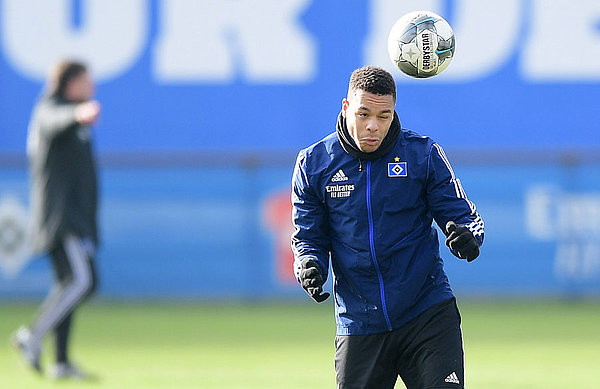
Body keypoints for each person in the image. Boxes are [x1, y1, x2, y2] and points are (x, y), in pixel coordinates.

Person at [291, 66, 484, 389]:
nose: (373, 126)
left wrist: (467, 236)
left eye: (384, 116)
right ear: (345, 107)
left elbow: (462, 215)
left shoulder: (422, 154)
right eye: (364, 113)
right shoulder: (314, 163)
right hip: (360, 321)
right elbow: (307, 235)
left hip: (427, 313)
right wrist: (310, 265)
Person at [12, 60, 101, 379]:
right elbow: (54, 120)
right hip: (61, 218)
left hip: (76, 217)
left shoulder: (74, 117)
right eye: (86, 80)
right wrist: (77, 114)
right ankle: (31, 337)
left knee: (74, 284)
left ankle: (61, 362)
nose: (91, 86)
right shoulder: (51, 109)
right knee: (80, 281)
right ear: (71, 82)